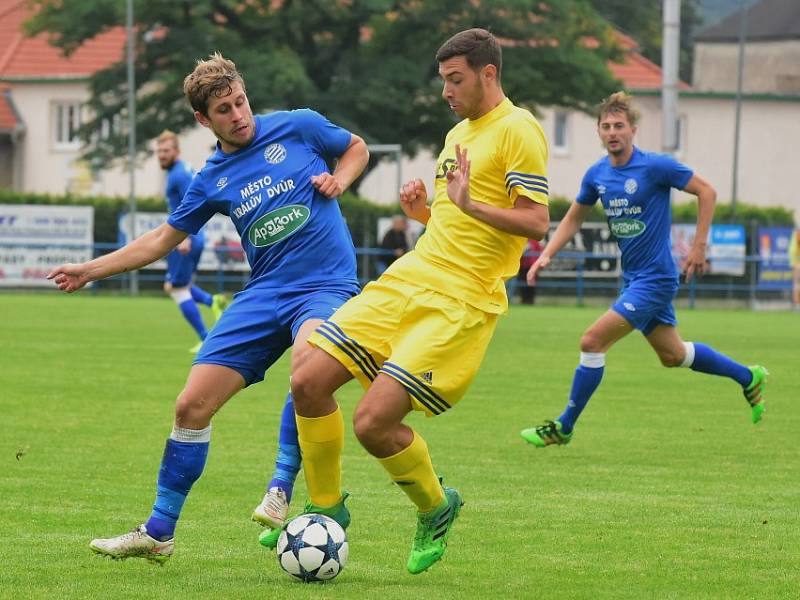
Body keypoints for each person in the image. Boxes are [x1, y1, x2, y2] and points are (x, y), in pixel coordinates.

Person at [47, 52, 369, 562]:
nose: (238, 114)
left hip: (326, 286)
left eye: (240, 101)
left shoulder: (299, 126)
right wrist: (90, 269)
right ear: (203, 119)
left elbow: (354, 148)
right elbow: (159, 239)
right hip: (264, 293)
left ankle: (282, 483)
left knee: (310, 368)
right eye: (224, 109)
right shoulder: (211, 177)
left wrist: (340, 180)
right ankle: (158, 532)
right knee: (190, 406)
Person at [264, 29, 549, 574]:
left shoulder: (519, 130)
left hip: (461, 299)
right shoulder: (457, 134)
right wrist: (426, 211)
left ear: (489, 74)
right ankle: (325, 512)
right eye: (443, 79)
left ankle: (436, 507)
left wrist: (468, 202)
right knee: (307, 379)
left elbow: (535, 220)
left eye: (455, 79)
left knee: (373, 423)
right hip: (412, 274)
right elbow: (455, 222)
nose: (446, 90)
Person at [520, 91, 768, 448]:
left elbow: (707, 191)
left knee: (591, 341)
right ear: (599, 132)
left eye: (619, 125)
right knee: (674, 355)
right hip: (634, 278)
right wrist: (546, 254)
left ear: (633, 130)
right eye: (606, 126)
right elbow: (574, 218)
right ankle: (748, 376)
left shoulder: (656, 167)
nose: (612, 132)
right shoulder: (597, 174)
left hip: (656, 279)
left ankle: (564, 426)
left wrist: (699, 247)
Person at [155, 130, 228, 353]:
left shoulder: (178, 175)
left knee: (176, 288)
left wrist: (183, 237)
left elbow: (192, 203)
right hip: (189, 236)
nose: (162, 155)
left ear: (176, 151)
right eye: (159, 151)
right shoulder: (179, 171)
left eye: (166, 151)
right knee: (177, 286)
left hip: (184, 238)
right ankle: (212, 301)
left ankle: (206, 337)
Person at [517, 238, 542, 305]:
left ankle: (531, 301)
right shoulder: (520, 240)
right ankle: (523, 301)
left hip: (532, 267)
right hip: (522, 267)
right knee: (522, 285)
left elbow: (540, 252)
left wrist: (538, 266)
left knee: (531, 285)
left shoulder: (535, 241)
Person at [790, 228, 800, 310]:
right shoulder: (797, 234)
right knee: (796, 284)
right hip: (796, 262)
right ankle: (797, 304)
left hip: (795, 261)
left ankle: (797, 304)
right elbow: (793, 250)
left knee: (796, 284)